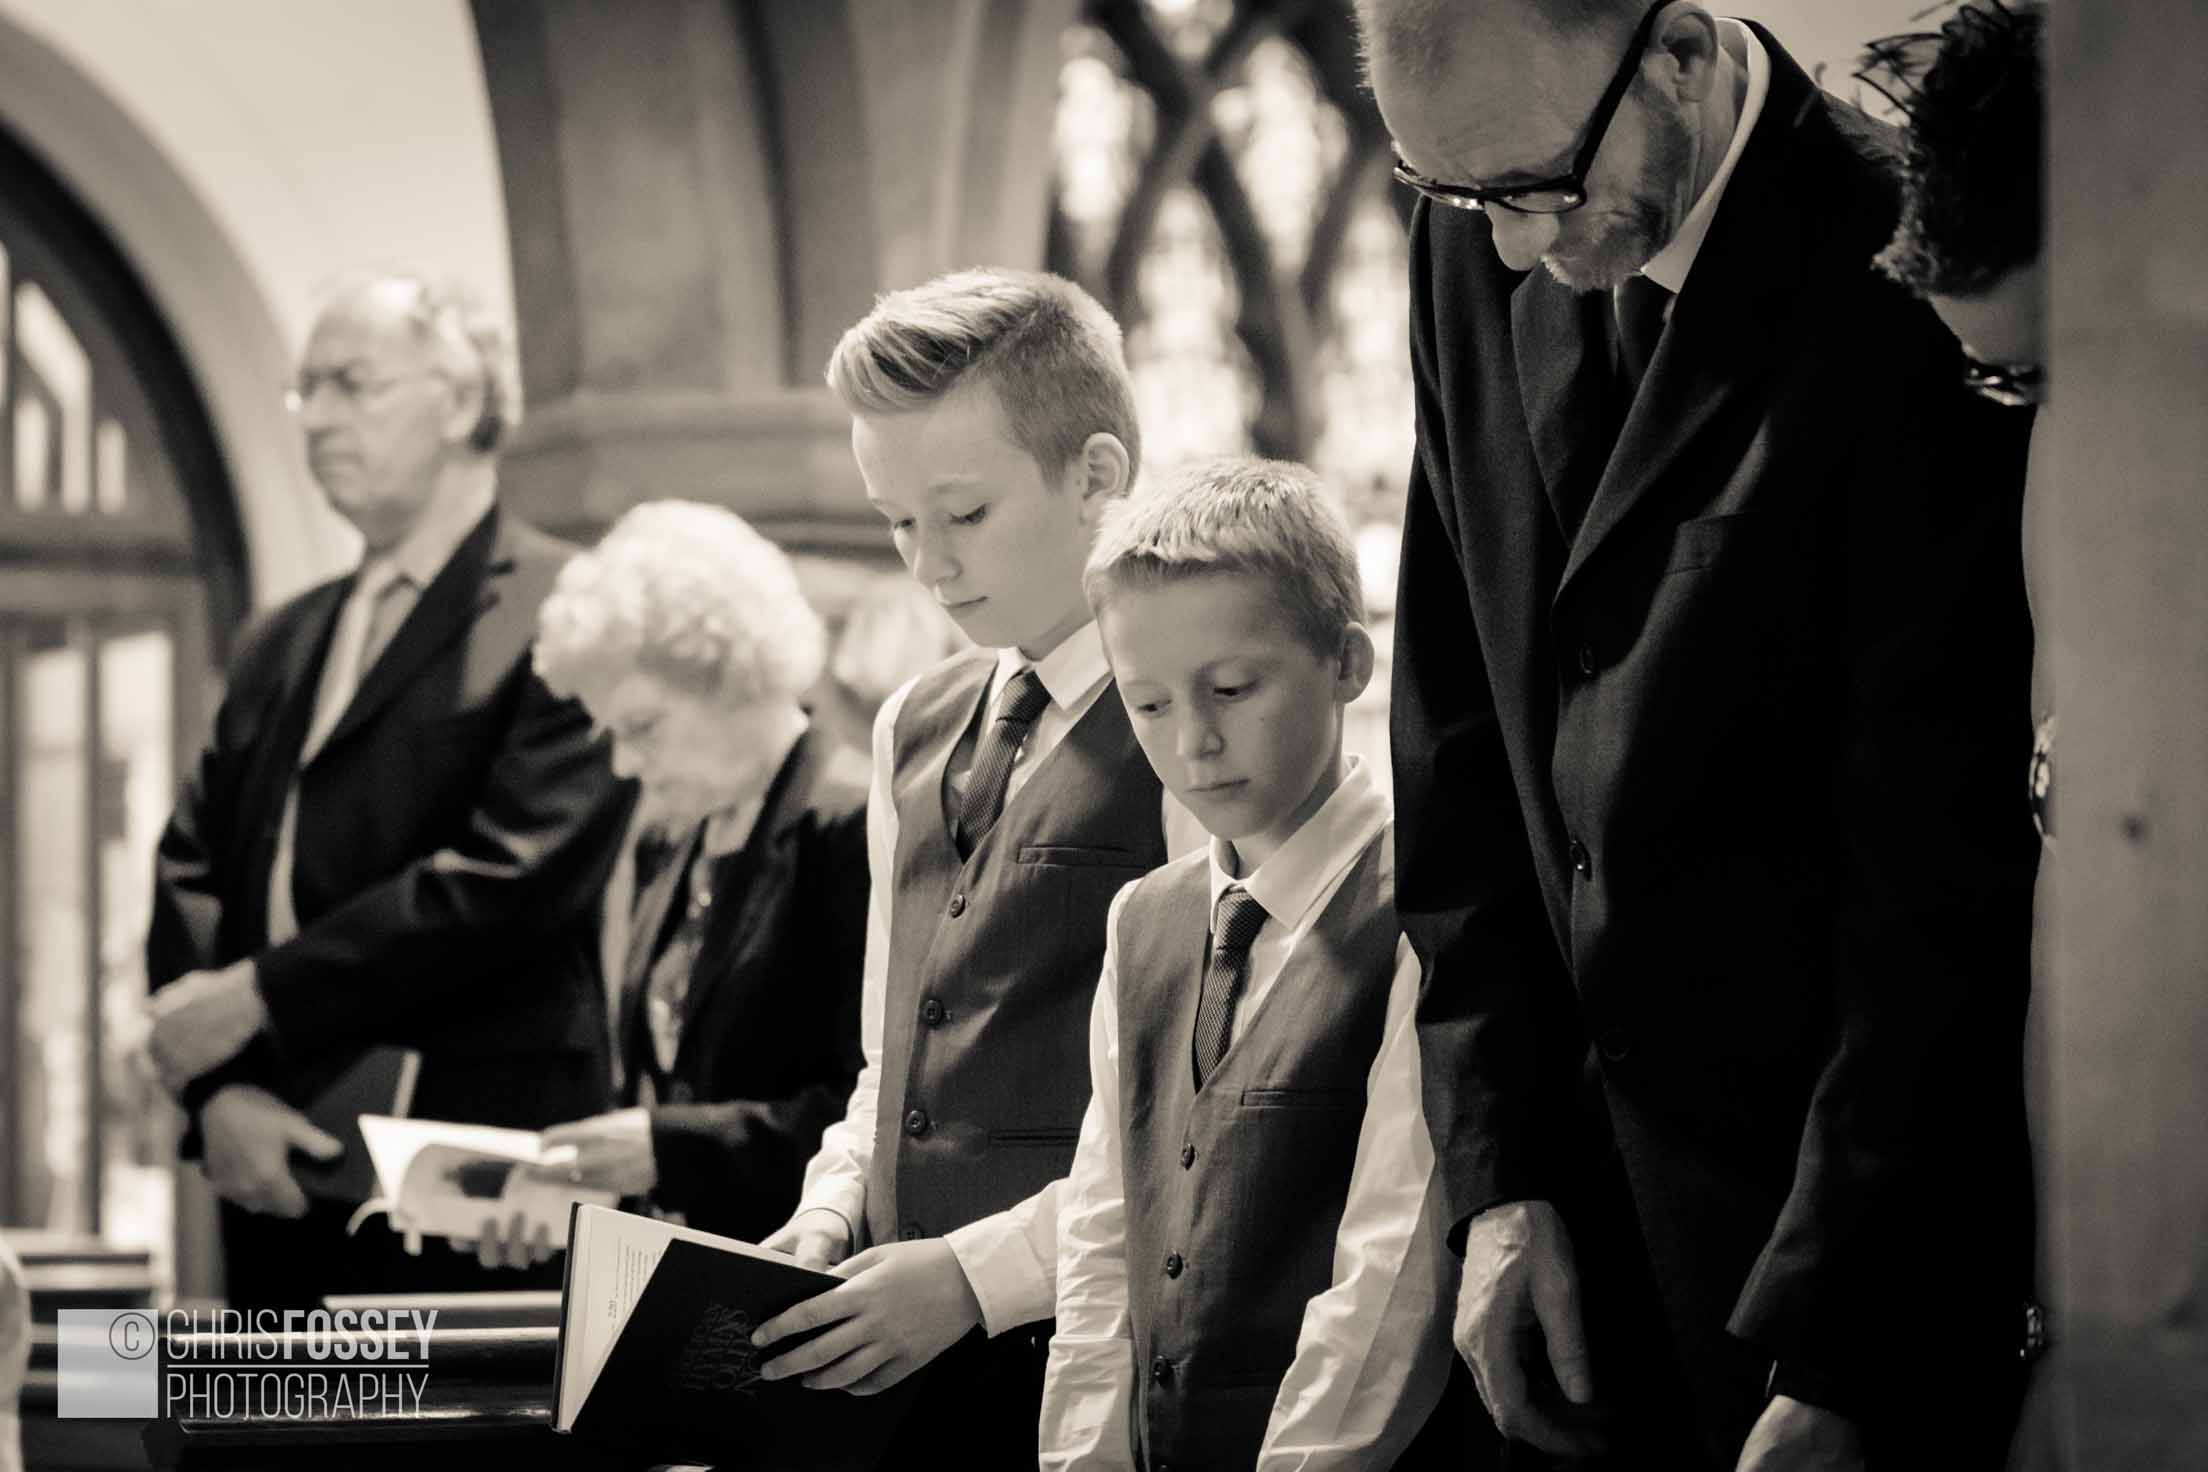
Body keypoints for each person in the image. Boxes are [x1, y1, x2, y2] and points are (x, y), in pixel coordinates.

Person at [1357, 1, 2040, 1467]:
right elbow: (1454, 741)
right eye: (1456, 193)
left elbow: (1937, 865)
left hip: (1814, 1261)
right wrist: (1498, 1176)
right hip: (1566, 1251)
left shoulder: (1902, 257)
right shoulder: (1469, 244)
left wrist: (1848, 1334)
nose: (1511, 247)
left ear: (1674, 54)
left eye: (1540, 187)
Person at [745, 268, 1204, 1462]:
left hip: (1098, 1356)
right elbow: (888, 1056)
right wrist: (829, 1208)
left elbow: (1198, 1106)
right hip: (900, 1374)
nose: (928, 565)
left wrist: (972, 1275)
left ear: (1096, 476)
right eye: (899, 523)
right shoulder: (912, 723)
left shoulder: (1189, 722)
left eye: (963, 514)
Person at [143, 272, 634, 1306]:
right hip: (270, 1164)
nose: (316, 418)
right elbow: (193, 860)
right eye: (306, 390)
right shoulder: (283, 636)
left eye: (351, 385)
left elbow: (511, 876)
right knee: (239, 1401)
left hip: (474, 1184)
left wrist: (261, 996)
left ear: (461, 401)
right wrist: (218, 1088)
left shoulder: (569, 607)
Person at [1039, 457, 1455, 1470]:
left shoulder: (1427, 909)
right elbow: (1102, 1235)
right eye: (1147, 704)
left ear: (1347, 664)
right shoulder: (1143, 919)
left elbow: (1392, 1279)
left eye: (1230, 689)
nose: (1195, 742)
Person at [476, 499, 869, 1252]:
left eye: (642, 728)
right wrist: (578, 1194)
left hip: (800, 1276)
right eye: (610, 734)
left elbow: (882, 1114)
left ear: (734, 674)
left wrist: (669, 1148)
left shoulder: (851, 825)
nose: (624, 765)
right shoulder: (673, 841)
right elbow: (665, 1086)